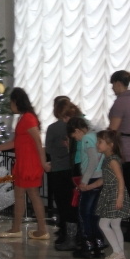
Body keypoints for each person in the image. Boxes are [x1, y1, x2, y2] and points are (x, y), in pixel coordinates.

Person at [0, 88, 50, 240]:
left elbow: (38, 141)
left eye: (11, 102)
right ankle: (16, 228)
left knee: (33, 195)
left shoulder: (28, 118)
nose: (10, 105)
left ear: (16, 102)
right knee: (20, 195)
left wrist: (42, 163)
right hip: (23, 163)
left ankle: (42, 230)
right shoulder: (22, 118)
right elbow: (15, 142)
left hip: (30, 164)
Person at [107, 71, 130, 244]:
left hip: (124, 154)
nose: (112, 88)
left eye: (112, 84)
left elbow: (113, 129)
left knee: (125, 191)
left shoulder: (120, 102)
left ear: (117, 83)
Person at [67, 116, 104, 259]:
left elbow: (92, 161)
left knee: (84, 213)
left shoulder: (87, 138)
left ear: (78, 130)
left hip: (91, 178)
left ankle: (87, 244)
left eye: (74, 136)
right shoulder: (95, 135)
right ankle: (98, 243)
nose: (76, 139)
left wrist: (85, 181)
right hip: (98, 177)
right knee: (94, 214)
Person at [95, 129, 130, 259]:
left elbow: (120, 179)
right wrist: (89, 186)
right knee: (115, 224)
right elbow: (105, 179)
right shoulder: (108, 159)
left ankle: (117, 252)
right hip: (111, 193)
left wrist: (120, 196)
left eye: (100, 142)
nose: (97, 144)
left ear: (110, 144)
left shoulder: (112, 160)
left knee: (103, 224)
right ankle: (120, 253)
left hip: (114, 195)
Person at [46, 97, 78, 251]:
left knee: (62, 203)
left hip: (59, 169)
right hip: (73, 170)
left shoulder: (53, 128)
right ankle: (74, 234)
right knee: (72, 203)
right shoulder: (77, 127)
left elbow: (49, 149)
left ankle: (66, 233)